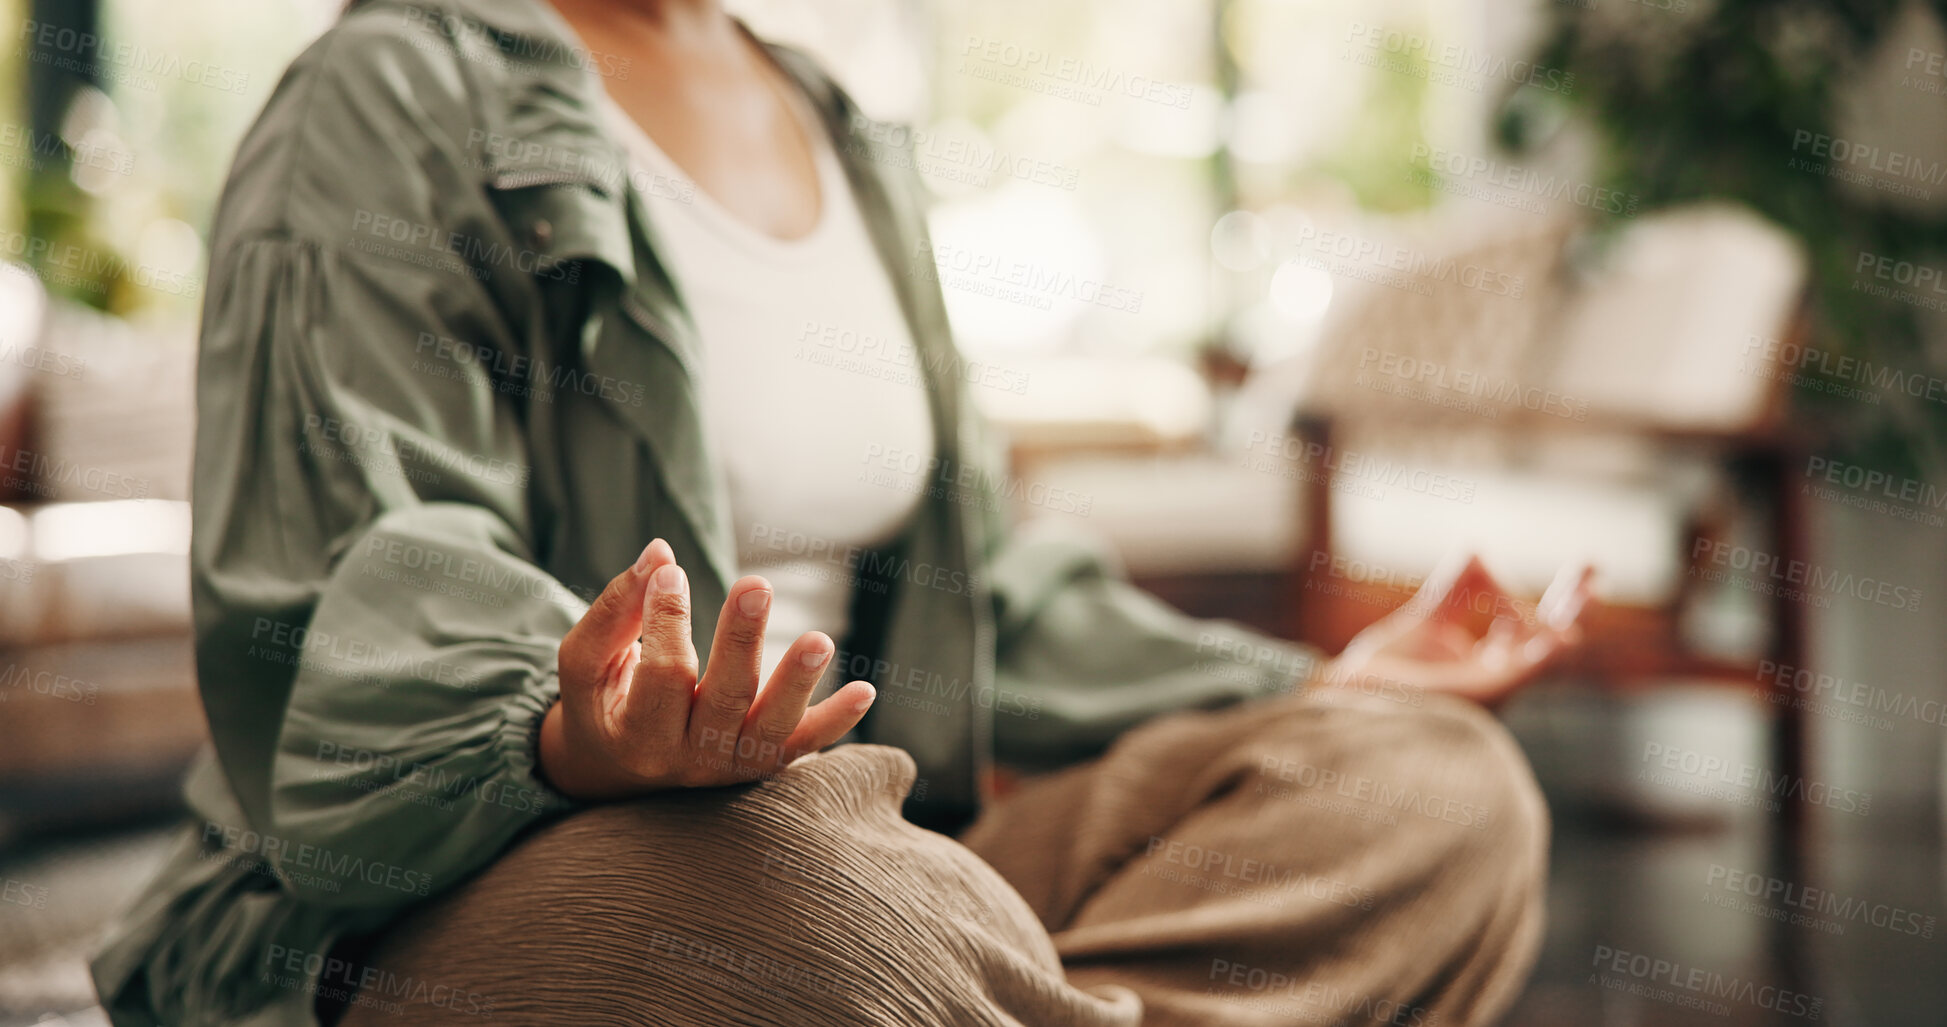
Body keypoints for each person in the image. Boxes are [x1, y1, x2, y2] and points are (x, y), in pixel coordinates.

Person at [91, 0, 1593, 1023]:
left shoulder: (830, 116)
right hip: (478, 881)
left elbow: (982, 586)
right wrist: (561, 733)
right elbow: (345, 574)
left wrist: (1320, 689)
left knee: (1430, 784)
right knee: (828, 902)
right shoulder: (389, 91)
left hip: (894, 838)